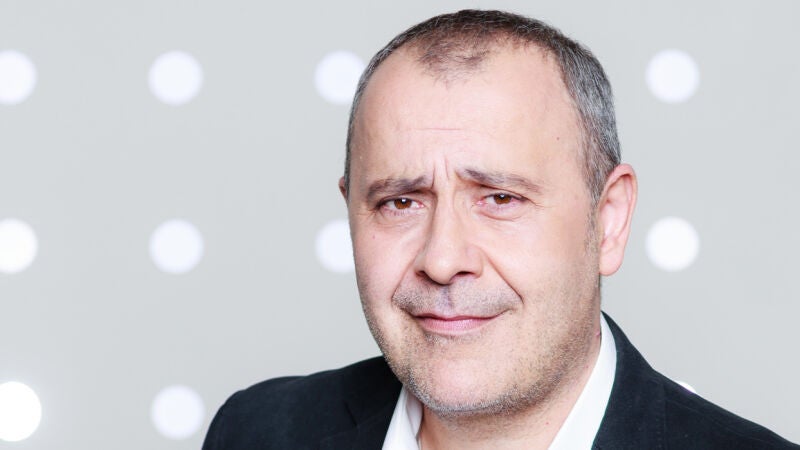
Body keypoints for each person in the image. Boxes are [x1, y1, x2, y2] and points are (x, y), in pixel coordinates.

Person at [203, 9, 798, 449]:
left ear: (608, 221)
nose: (442, 260)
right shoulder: (256, 432)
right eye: (400, 202)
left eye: (500, 198)